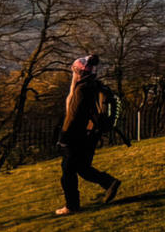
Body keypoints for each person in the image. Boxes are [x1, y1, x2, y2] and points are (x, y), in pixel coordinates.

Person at [56, 55, 122, 216]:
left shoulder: (81, 90)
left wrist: (63, 139)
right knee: (83, 168)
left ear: (78, 72)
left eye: (73, 70)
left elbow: (72, 116)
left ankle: (71, 206)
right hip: (91, 135)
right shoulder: (94, 86)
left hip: (77, 136)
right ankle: (109, 182)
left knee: (67, 172)